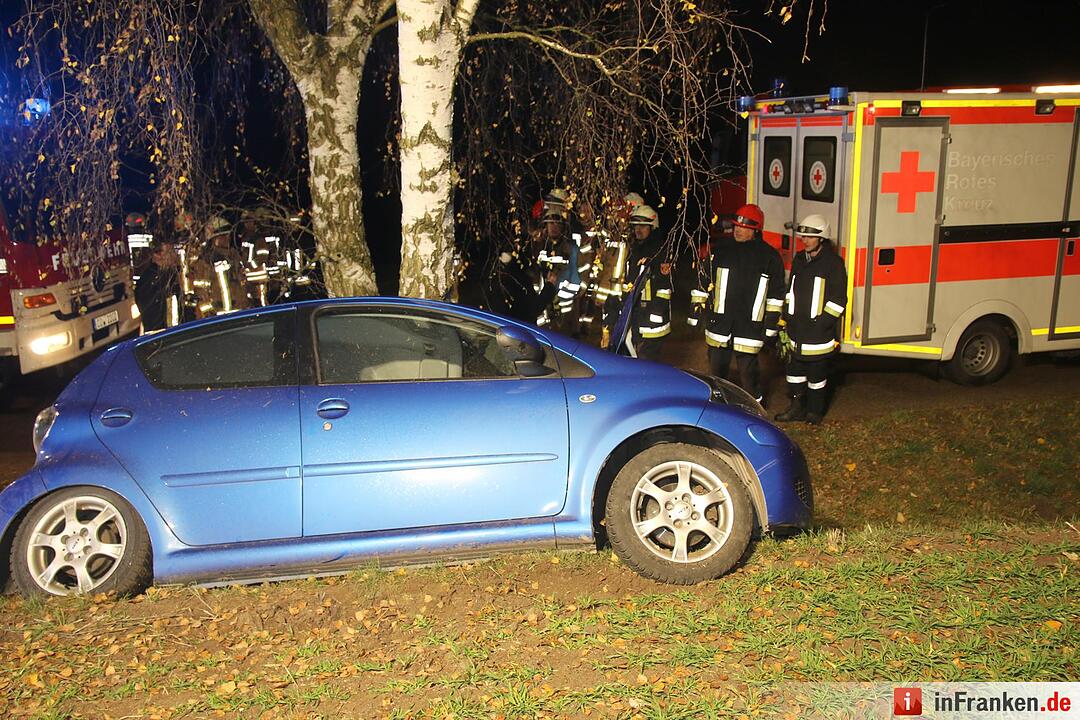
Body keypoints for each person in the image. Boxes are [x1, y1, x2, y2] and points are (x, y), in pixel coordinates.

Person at [690, 203, 784, 404]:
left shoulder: (768, 256)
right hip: (720, 323)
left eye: (745, 227)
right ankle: (718, 409)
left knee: (749, 376)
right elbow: (703, 281)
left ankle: (755, 409)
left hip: (750, 326)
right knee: (716, 373)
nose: (738, 230)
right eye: (736, 226)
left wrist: (771, 327)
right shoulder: (720, 250)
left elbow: (776, 295)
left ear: (756, 230)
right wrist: (695, 310)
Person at [775, 213, 848, 424]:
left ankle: (814, 413)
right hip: (796, 330)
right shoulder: (799, 260)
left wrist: (822, 323)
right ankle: (796, 408)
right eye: (803, 237)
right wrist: (786, 317)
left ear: (822, 238)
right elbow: (791, 290)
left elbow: (838, 300)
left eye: (810, 237)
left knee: (817, 378)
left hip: (818, 334)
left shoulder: (833, 264)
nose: (805, 240)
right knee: (794, 374)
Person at [624, 204, 671, 361]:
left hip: (653, 321)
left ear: (652, 227)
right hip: (636, 315)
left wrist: (656, 312)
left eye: (643, 226)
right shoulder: (635, 249)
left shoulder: (660, 251)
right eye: (636, 226)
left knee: (648, 361)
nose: (638, 230)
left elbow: (665, 286)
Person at [134, 239, 180, 332]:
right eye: (169, 252)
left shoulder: (169, 275)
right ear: (158, 256)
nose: (174, 255)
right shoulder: (148, 280)